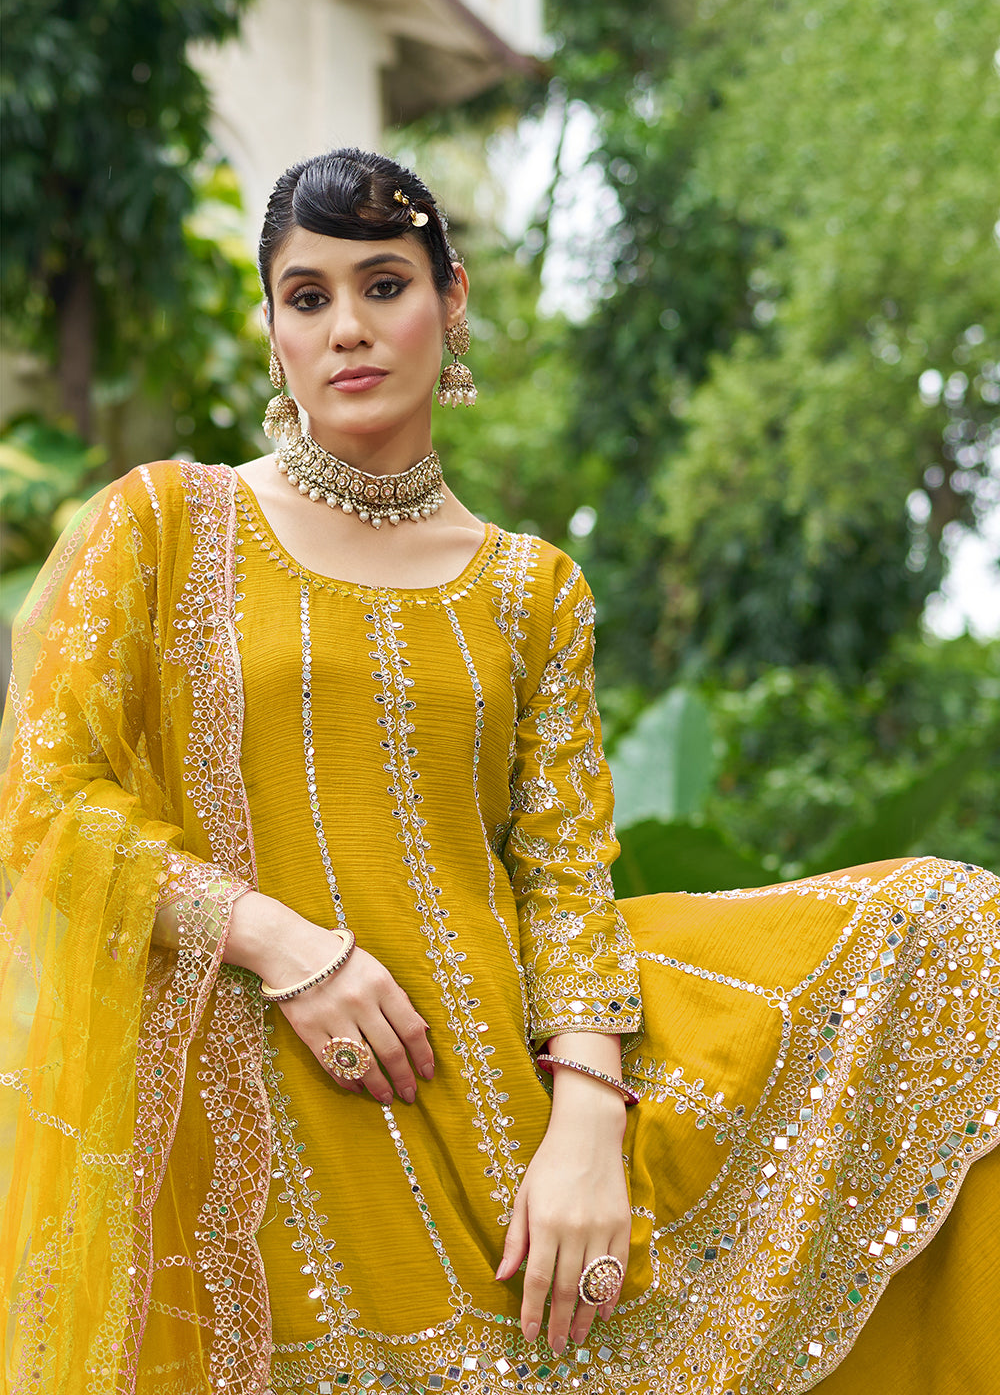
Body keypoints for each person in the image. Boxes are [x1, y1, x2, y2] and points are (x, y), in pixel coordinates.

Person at [0, 148, 996, 1395]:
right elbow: (42, 799)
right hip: (249, 1133)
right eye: (307, 296)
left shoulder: (529, 587)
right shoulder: (165, 525)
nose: (347, 327)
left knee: (956, 931)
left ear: (450, 299)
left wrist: (585, 1122)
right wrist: (277, 940)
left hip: (489, 1114)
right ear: (272, 331)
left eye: (383, 284)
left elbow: (563, 877)